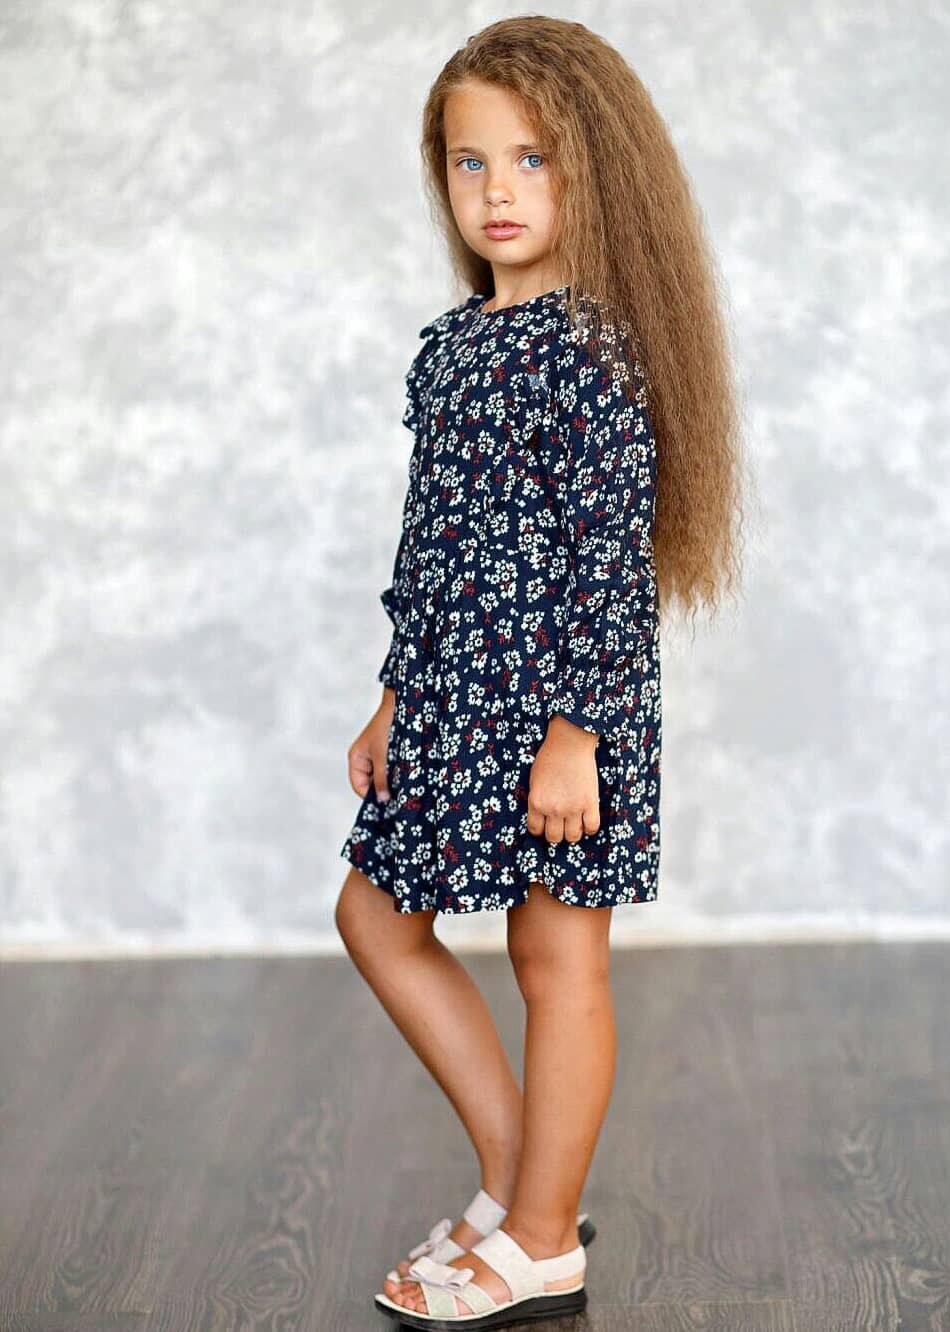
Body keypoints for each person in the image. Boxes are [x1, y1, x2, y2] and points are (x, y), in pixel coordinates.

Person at [334, 15, 744, 1329]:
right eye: (470, 162)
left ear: (594, 172)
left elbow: (610, 565)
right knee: (375, 917)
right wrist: (396, 690)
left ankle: (545, 1241)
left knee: (556, 954)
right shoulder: (455, 346)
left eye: (533, 159)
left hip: (567, 704)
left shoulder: (595, 352)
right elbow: (433, 542)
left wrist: (578, 734)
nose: (498, 190)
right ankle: (523, 1183)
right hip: (455, 693)